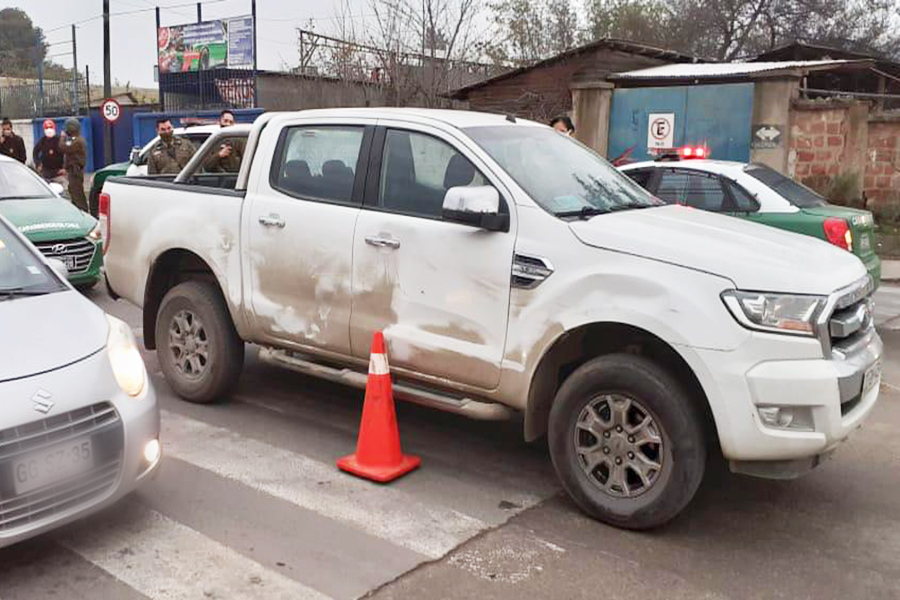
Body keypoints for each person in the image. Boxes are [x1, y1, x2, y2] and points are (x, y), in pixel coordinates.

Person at [60, 118, 89, 212]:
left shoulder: (78, 141)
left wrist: (62, 138)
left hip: (76, 171)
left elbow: (64, 148)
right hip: (72, 171)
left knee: (78, 195)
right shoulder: (74, 140)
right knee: (73, 192)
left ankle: (84, 213)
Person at [203, 109, 245, 173]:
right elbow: (206, 166)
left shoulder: (239, 141)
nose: (228, 124)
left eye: (231, 122)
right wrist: (219, 155)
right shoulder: (213, 141)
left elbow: (246, 162)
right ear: (220, 122)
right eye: (225, 121)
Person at [33, 119, 65, 183]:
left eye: (51, 127)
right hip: (45, 172)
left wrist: (65, 168)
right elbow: (35, 152)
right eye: (47, 128)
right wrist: (38, 164)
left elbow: (66, 153)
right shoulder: (42, 141)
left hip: (58, 173)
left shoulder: (59, 140)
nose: (49, 130)